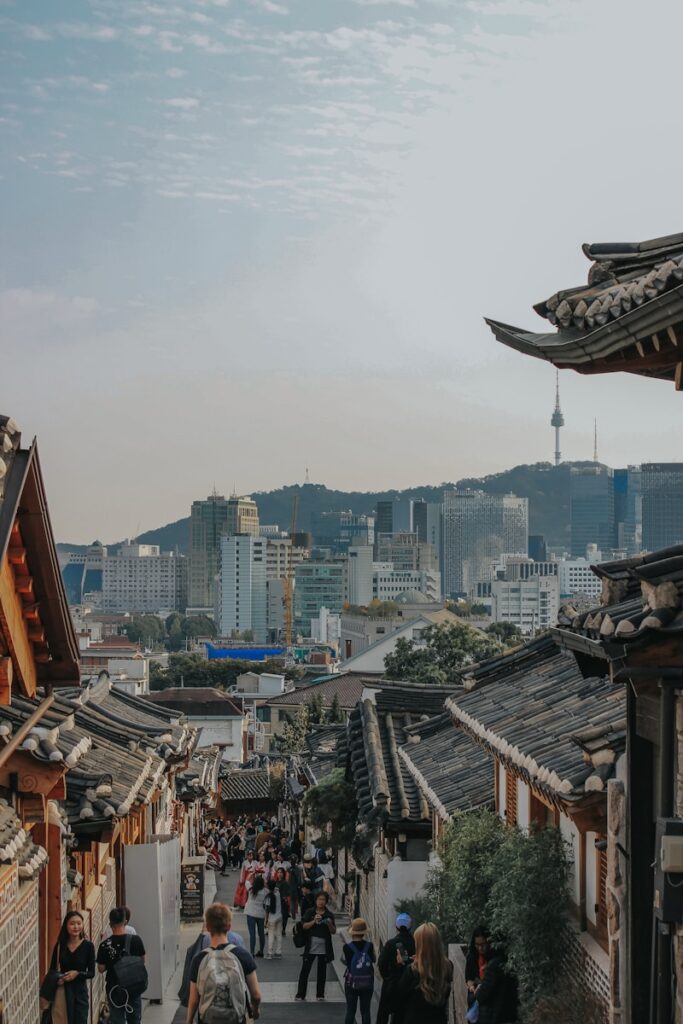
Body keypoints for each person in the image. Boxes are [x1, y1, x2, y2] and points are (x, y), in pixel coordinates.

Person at [186, 903, 261, 1024]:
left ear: (208, 927)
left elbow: (194, 1000)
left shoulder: (199, 959)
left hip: (208, 1019)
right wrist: (255, 1011)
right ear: (229, 926)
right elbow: (256, 995)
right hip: (236, 1018)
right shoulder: (243, 956)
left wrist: (189, 1020)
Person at [96, 907, 146, 1024]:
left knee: (117, 1020)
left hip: (114, 989)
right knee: (134, 1020)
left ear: (110, 923)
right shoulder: (136, 940)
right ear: (125, 922)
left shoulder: (104, 945)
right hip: (133, 987)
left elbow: (101, 969)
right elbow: (142, 961)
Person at [395, 922, 452, 1024]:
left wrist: (401, 965)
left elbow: (397, 997)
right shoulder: (447, 967)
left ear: (421, 946)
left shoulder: (412, 971)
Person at [48, 910, 96, 1024]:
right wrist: (58, 978)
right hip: (63, 992)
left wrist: (77, 974)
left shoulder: (88, 946)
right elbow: (52, 970)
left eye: (79, 923)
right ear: (66, 925)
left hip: (80, 993)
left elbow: (91, 973)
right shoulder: (60, 946)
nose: (76, 927)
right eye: (72, 923)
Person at [295, 890, 336, 1002]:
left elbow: (333, 931)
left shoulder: (329, 914)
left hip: (324, 945)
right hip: (311, 945)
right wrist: (314, 921)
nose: (321, 902)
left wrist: (329, 924)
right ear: (316, 900)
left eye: (323, 900)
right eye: (319, 899)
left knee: (322, 972)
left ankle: (320, 994)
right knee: (305, 970)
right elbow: (303, 926)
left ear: (326, 901)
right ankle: (300, 994)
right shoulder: (310, 912)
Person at [377, 913, 416, 1024]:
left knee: (383, 1014)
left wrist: (387, 977)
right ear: (410, 927)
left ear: (396, 927)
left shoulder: (391, 943)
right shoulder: (416, 943)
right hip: (410, 984)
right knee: (402, 1014)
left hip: (392, 982)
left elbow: (381, 963)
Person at [342, 918, 375, 1024]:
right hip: (367, 982)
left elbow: (344, 961)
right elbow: (373, 959)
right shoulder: (369, 946)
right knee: (365, 1011)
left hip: (352, 982)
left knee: (350, 1011)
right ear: (364, 932)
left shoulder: (346, 947)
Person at [245, 875, 267, 958]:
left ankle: (252, 952)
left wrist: (252, 873)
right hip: (261, 914)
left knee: (252, 934)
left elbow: (246, 880)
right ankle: (261, 951)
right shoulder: (265, 891)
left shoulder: (251, 890)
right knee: (261, 933)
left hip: (250, 913)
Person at [264, 880, 283, 958]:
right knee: (278, 934)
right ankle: (278, 952)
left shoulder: (269, 896)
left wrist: (266, 920)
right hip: (279, 916)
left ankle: (270, 952)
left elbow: (267, 910)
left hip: (272, 918)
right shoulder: (278, 893)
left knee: (271, 935)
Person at [275, 867, 291, 935]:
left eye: (281, 872)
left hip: (283, 902)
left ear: (283, 874)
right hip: (276, 901)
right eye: (278, 872)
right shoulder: (275, 882)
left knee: (284, 916)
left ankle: (283, 929)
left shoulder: (285, 883)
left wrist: (285, 899)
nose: (279, 874)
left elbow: (288, 893)